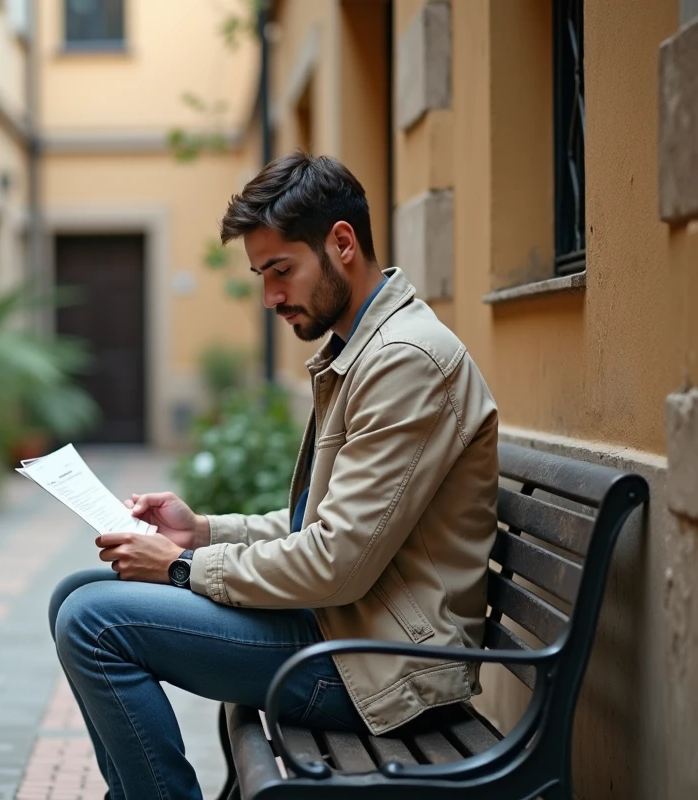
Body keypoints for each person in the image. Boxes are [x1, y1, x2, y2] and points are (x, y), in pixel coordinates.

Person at [48, 151, 500, 799]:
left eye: (281, 270)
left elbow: (335, 561)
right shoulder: (364, 350)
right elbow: (319, 530)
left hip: (378, 668)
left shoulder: (404, 361)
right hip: (347, 629)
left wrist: (179, 567)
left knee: (94, 622)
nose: (270, 297)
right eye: (262, 275)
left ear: (341, 243)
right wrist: (199, 532)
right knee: (75, 594)